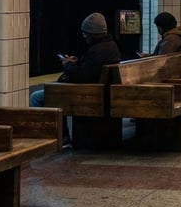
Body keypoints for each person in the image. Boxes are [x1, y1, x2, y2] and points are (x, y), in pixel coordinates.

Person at [30, 12, 122, 146]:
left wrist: (67, 65)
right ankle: (62, 135)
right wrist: (77, 62)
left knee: (36, 97)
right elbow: (90, 68)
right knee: (56, 92)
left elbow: (81, 76)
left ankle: (43, 137)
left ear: (93, 33)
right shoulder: (111, 46)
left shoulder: (97, 50)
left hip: (86, 93)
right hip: (97, 91)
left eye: (86, 33)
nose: (84, 36)